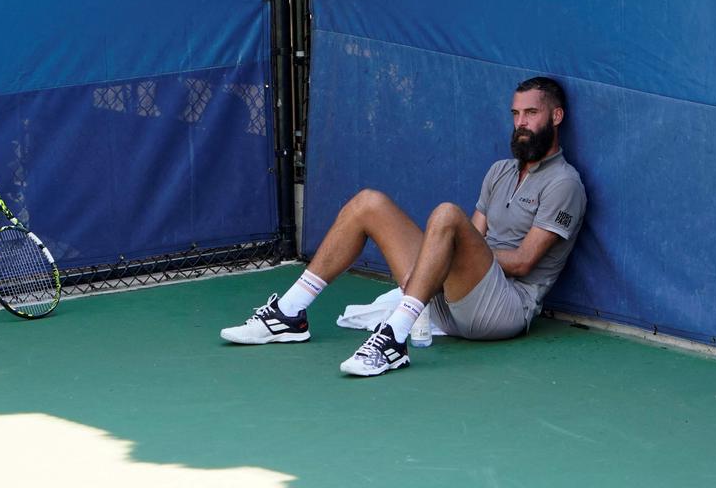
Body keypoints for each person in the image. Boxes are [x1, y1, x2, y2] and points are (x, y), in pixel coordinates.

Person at [220, 76, 587, 378]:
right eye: (515, 114)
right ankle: (289, 314)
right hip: (449, 301)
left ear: (555, 117)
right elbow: (475, 240)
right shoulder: (499, 171)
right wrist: (444, 258)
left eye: (531, 113)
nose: (521, 123)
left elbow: (523, 262)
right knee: (368, 203)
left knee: (446, 214)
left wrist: (446, 253)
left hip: (503, 311)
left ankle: (393, 339)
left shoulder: (564, 184)